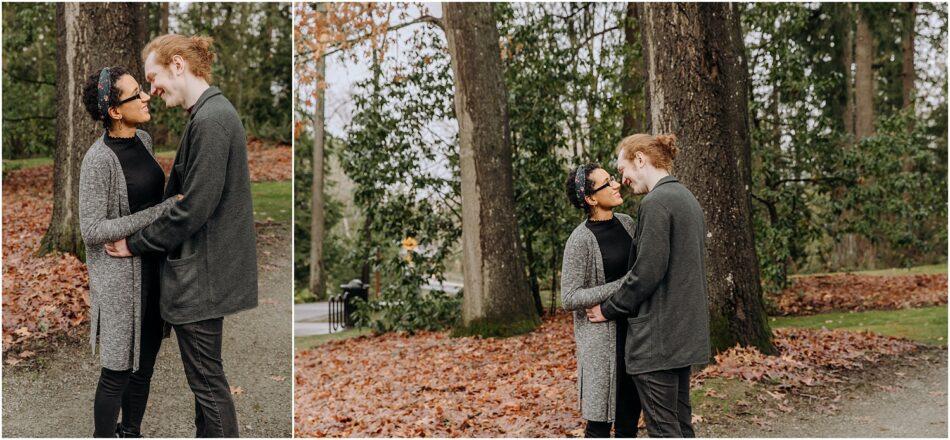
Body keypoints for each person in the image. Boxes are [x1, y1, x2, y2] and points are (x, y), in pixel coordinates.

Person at [104, 34, 258, 438]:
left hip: (202, 277)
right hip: (204, 272)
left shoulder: (212, 120)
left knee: (208, 385)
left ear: (177, 65)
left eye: (153, 77)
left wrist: (133, 244)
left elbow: (193, 208)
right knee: (205, 384)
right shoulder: (207, 114)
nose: (151, 89)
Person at [79, 66, 182, 437]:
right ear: (115, 111)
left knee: (145, 366)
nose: (146, 96)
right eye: (135, 93)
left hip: (153, 268)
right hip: (120, 281)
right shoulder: (98, 160)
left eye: (143, 89)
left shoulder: (144, 140)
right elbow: (91, 230)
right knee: (117, 371)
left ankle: (131, 432)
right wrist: (159, 211)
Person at [588, 133, 710, 438]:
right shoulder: (687, 199)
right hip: (683, 337)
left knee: (664, 430)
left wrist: (608, 309)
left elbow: (647, 272)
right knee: (680, 426)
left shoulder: (657, 203)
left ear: (640, 159)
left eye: (623, 169)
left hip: (659, 341)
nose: (623, 179)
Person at [561, 164, 643, 437]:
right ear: (591, 198)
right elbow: (570, 297)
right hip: (601, 344)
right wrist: (622, 284)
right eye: (607, 183)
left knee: (629, 420)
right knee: (599, 425)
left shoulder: (627, 223)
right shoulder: (580, 240)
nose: (616, 184)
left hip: (634, 335)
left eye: (613, 179)